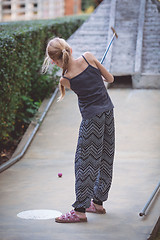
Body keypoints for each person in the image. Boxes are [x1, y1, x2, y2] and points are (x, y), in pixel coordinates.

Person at [42, 37, 115, 223]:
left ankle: (80, 210)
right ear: (70, 49)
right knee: (105, 157)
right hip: (108, 113)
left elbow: (81, 85)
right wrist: (97, 75)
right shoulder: (89, 57)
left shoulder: (65, 79)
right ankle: (97, 202)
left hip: (91, 121)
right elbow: (110, 79)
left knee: (86, 162)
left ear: (53, 61)